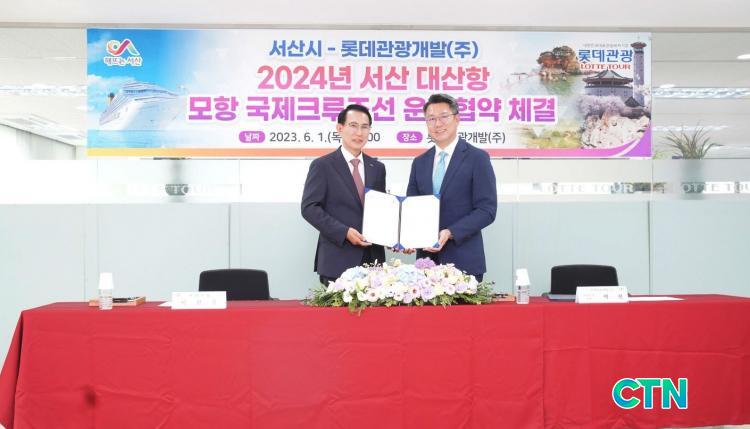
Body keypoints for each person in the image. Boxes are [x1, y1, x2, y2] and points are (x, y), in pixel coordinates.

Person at [406, 94, 497, 281]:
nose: (437, 124)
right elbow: (411, 207)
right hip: (426, 264)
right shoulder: (419, 162)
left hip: (464, 262)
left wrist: (450, 232)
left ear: (457, 119)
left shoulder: (477, 158)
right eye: (431, 118)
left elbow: (487, 210)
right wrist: (405, 237)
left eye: (444, 117)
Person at [301, 104, 387, 285]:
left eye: (365, 127)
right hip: (337, 259)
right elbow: (309, 208)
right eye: (353, 126)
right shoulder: (322, 165)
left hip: (373, 260)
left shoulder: (377, 168)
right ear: (340, 128)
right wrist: (344, 232)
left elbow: (381, 209)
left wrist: (394, 237)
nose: (359, 133)